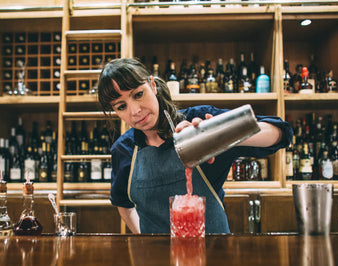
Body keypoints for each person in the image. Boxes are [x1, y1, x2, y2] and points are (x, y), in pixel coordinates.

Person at [98, 58, 293, 234]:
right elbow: (122, 203)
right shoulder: (123, 149)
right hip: (152, 262)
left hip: (213, 256)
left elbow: (280, 133)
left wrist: (218, 135)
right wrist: (141, 235)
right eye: (121, 106)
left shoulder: (197, 120)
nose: (135, 111)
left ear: (152, 85)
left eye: (138, 94)